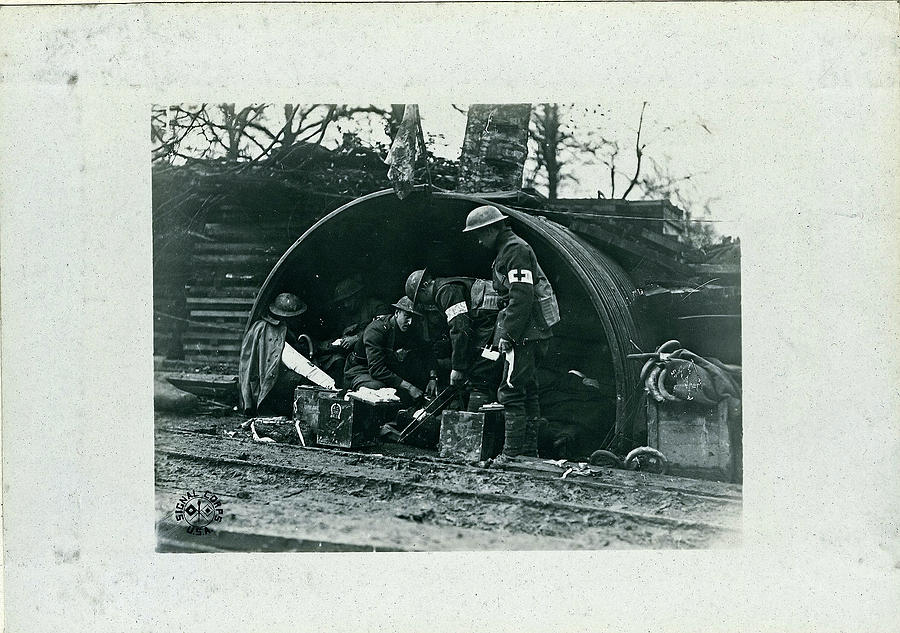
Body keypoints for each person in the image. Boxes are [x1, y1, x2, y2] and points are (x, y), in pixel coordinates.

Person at [462, 205, 560, 459]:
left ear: (495, 228)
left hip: (525, 333)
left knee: (511, 390)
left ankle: (512, 454)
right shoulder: (508, 250)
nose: (479, 240)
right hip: (528, 332)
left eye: (481, 233)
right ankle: (528, 451)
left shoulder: (515, 250)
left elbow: (521, 297)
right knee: (527, 389)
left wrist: (509, 334)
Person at [405, 268, 501, 411]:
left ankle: (473, 424)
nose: (424, 304)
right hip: (491, 321)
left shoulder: (446, 291)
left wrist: (457, 367)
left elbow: (459, 327)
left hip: (494, 322)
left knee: (479, 375)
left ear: (424, 287)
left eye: (420, 299)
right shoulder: (446, 287)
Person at [238, 292, 335, 416]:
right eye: (296, 317)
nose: (299, 319)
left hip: (277, 375)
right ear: (286, 317)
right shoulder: (270, 332)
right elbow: (286, 359)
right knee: (300, 381)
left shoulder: (286, 330)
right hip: (270, 381)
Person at [343, 296, 436, 403]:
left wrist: (432, 378)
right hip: (361, 370)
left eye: (413, 319)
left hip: (388, 369)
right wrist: (410, 387)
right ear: (397, 313)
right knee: (380, 389)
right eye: (407, 316)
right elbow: (377, 369)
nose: (410, 322)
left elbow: (427, 351)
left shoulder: (410, 329)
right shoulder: (377, 330)